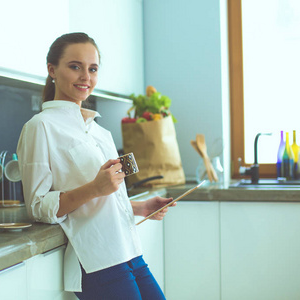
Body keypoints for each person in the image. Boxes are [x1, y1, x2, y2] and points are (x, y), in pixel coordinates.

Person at [17, 32, 175, 300]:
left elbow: (104, 200)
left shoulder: (100, 132)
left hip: (130, 251)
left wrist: (138, 207)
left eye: (92, 69)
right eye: (75, 66)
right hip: (98, 261)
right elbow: (37, 207)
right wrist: (94, 188)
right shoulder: (40, 127)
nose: (85, 77)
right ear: (52, 70)